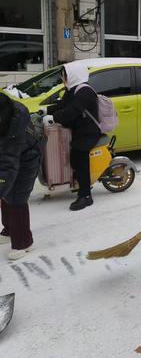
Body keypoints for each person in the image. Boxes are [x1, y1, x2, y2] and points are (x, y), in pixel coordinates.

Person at [47, 62, 101, 211]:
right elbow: (62, 105)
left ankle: (86, 196)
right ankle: (81, 185)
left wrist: (54, 118)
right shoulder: (73, 89)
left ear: (73, 75)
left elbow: (72, 111)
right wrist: (45, 111)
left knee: (80, 159)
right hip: (80, 131)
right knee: (74, 160)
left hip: (89, 132)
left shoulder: (85, 92)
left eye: (64, 75)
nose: (63, 78)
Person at [0, 94, 42, 260]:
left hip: (26, 162)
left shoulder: (13, 130)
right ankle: (9, 230)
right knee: (6, 196)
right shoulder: (7, 112)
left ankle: (24, 243)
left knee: (17, 198)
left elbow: (7, 165)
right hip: (9, 159)